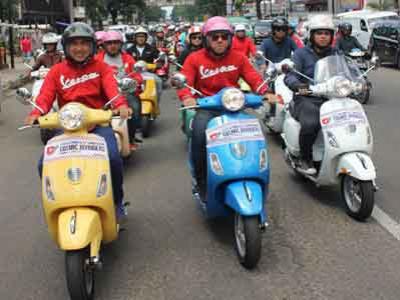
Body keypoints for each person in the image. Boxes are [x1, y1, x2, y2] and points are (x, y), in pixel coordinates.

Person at [24, 22, 132, 217]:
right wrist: (36, 113)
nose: (79, 48)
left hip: (97, 125)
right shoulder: (57, 71)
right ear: (65, 46)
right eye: (74, 43)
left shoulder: (101, 67)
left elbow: (112, 89)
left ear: (92, 46)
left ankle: (116, 201)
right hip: (67, 128)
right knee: (43, 163)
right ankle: (57, 201)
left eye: (84, 43)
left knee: (114, 159)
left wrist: (121, 105)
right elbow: (45, 96)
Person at [176, 16, 271, 199]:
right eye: (215, 37)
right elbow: (184, 82)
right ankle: (202, 180)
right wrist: (187, 97)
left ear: (230, 39)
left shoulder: (238, 57)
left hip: (233, 105)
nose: (220, 40)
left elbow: (253, 78)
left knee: (255, 134)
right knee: (198, 134)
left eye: (224, 36)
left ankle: (254, 173)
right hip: (206, 106)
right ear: (206, 39)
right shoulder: (194, 59)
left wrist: (266, 92)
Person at [284, 15, 337, 175]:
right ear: (311, 35)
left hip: (332, 97)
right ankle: (305, 158)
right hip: (307, 98)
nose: (323, 36)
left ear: (331, 36)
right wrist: (298, 85)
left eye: (327, 33)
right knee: (311, 123)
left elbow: (347, 69)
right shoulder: (300, 54)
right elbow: (290, 76)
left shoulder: (336, 53)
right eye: (319, 33)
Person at [97, 30, 144, 150]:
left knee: (134, 106)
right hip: (103, 95)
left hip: (125, 92)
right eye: (109, 43)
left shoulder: (128, 59)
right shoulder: (97, 60)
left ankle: (131, 137)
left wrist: (133, 83)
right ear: (104, 45)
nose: (112, 46)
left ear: (120, 44)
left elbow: (137, 77)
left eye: (115, 43)